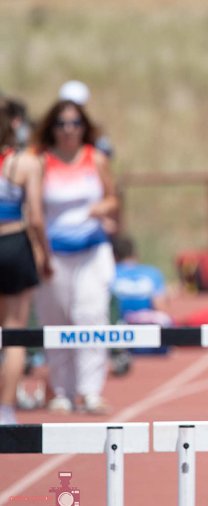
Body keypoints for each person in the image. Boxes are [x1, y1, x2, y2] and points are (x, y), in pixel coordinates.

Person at [31, 99, 120, 414]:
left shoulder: (95, 159)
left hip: (91, 252)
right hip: (54, 254)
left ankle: (90, 391)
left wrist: (102, 209)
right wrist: (40, 252)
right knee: (55, 320)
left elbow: (113, 199)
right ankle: (61, 391)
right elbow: (33, 210)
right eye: (62, 124)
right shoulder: (41, 162)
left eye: (75, 123)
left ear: (84, 126)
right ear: (52, 128)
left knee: (91, 315)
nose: (69, 130)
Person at [0, 99, 52, 424]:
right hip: (14, 242)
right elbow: (35, 216)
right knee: (15, 329)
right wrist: (44, 252)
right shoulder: (26, 164)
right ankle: (5, 409)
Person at [110, 233, 172, 356]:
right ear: (135, 254)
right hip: (151, 327)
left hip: (121, 328)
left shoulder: (110, 274)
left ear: (114, 256)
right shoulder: (152, 273)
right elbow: (160, 306)